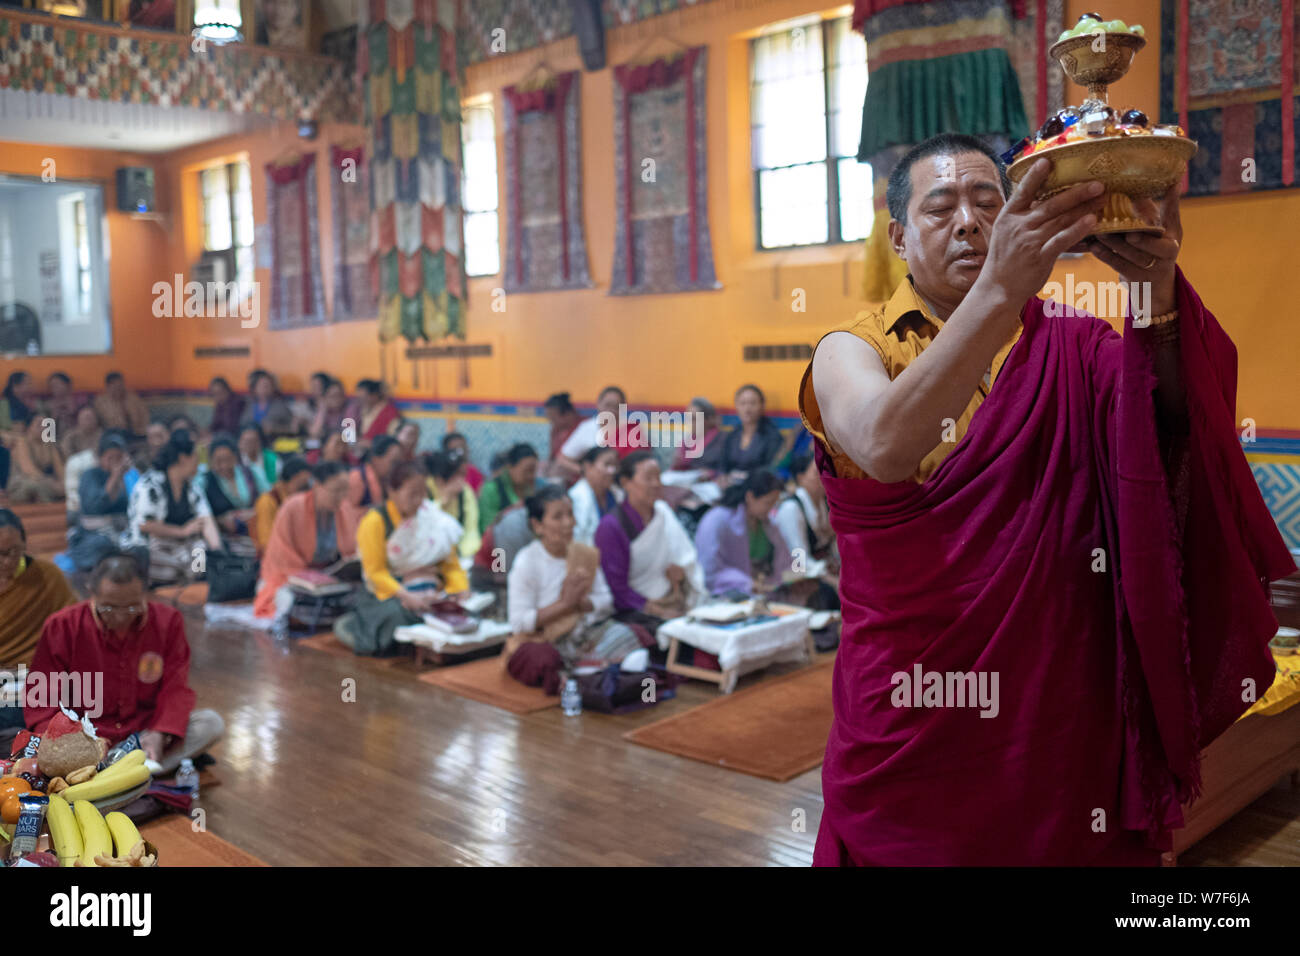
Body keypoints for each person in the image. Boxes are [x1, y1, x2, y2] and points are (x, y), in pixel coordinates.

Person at [800, 133, 1294, 866]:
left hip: (1055, 711)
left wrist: (1154, 292)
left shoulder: (1072, 341)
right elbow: (882, 443)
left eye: (986, 203)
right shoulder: (852, 349)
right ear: (899, 237)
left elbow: (1168, 444)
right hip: (913, 710)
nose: (968, 221)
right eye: (941, 207)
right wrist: (1003, 290)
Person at [24, 553, 225, 775]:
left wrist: (159, 733)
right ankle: (137, 773)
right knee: (44, 749)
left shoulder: (168, 621)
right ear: (92, 592)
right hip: (85, 742)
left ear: (145, 594)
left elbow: (175, 687)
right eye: (109, 608)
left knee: (210, 724)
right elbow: (42, 697)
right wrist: (68, 742)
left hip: (143, 734)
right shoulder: (63, 626)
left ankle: (110, 774)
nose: (121, 618)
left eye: (131, 608)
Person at [504, 487, 644, 693]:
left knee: (635, 631)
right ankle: (599, 672)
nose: (568, 523)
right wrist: (564, 605)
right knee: (541, 659)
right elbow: (519, 623)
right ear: (537, 525)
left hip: (582, 637)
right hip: (543, 640)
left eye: (570, 514)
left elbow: (606, 600)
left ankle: (583, 675)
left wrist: (581, 603)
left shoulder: (583, 554)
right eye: (558, 517)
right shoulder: (527, 562)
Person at [335, 460, 467, 655]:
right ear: (392, 492)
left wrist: (459, 589)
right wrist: (407, 596)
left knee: (460, 611)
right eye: (412, 494)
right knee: (397, 616)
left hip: (431, 590)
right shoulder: (375, 521)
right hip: (391, 593)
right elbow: (375, 573)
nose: (419, 500)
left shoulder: (432, 518)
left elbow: (450, 564)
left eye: (422, 493)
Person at [594, 450, 703, 636]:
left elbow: (682, 558)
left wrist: (679, 574)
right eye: (648, 478)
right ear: (625, 483)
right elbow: (616, 589)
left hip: (670, 598)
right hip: (631, 611)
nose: (656, 484)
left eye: (658, 477)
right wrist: (655, 609)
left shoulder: (662, 513)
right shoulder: (611, 527)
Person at [254, 461, 355, 619]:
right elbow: (281, 558)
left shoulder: (344, 509)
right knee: (289, 601)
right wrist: (309, 576)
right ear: (316, 486)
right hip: (287, 578)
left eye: (345, 491)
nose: (341, 497)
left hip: (329, 579)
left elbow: (351, 551)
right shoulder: (293, 507)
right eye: (336, 491)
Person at [122, 430, 222, 585]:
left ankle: (194, 580)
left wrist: (217, 550)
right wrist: (182, 531)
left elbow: (205, 518)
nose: (198, 462)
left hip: (181, 547)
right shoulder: (149, 484)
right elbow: (145, 525)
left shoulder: (192, 487)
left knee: (200, 549)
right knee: (168, 566)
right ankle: (185, 577)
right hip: (152, 546)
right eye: (195, 457)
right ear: (183, 458)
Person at [694, 469, 789, 597]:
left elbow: (783, 562)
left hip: (764, 592)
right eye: (768, 503)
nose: (771, 509)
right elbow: (709, 570)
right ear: (750, 497)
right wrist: (745, 583)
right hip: (726, 595)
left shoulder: (769, 524)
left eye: (774, 503)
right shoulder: (717, 520)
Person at [0, 509, 76, 668]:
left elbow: (72, 625)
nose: (7, 561)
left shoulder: (46, 575)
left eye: (14, 551)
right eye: (1, 554)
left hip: (35, 670)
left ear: (24, 544)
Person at [68, 432, 140, 573]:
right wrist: (114, 476)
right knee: (103, 545)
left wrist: (123, 476)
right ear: (100, 458)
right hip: (93, 534)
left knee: (139, 547)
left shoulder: (130, 475)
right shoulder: (90, 475)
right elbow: (94, 507)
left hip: (124, 531)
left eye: (118, 458)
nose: (115, 462)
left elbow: (135, 504)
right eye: (110, 458)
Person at [771, 451, 839, 585]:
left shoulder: (824, 503)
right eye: (817, 473)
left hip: (817, 568)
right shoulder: (791, 508)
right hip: (789, 574)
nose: (824, 477)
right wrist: (831, 580)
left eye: (826, 471)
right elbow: (799, 562)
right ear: (801, 478)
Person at [339, 434, 404, 544]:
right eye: (393, 462)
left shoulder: (389, 481)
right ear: (375, 460)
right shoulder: (357, 478)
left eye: (399, 463)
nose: (396, 468)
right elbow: (345, 516)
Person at [557, 386, 637, 475]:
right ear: (598, 404)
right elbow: (562, 460)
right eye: (608, 405)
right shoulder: (587, 428)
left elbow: (638, 465)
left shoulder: (632, 431)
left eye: (617, 407)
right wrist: (587, 472)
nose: (612, 410)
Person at [201, 437, 259, 550]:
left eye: (228, 460)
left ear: (235, 457)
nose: (224, 466)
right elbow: (200, 515)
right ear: (211, 460)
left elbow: (269, 499)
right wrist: (221, 520)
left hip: (253, 535)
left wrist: (253, 512)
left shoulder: (251, 473)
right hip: (222, 541)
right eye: (218, 461)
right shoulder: (204, 481)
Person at [719, 384, 784, 482]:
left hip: (757, 487)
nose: (747, 409)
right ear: (736, 406)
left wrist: (747, 476)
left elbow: (772, 468)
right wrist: (723, 477)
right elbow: (723, 466)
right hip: (730, 486)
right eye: (742, 403)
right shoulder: (733, 434)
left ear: (762, 406)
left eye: (753, 403)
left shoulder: (772, 436)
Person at [425, 450, 480, 561]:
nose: (461, 480)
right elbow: (424, 524)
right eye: (456, 475)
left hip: (459, 554)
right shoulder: (425, 489)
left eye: (463, 475)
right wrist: (444, 500)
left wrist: (463, 553)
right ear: (439, 480)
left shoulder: (465, 491)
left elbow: (471, 529)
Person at [477, 442, 544, 534]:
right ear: (510, 467)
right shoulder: (491, 489)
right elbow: (487, 528)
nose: (531, 476)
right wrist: (511, 512)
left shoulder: (538, 486)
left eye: (533, 471)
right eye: (527, 471)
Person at [253, 454, 312, 553]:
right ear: (291, 480)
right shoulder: (268, 501)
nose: (305, 491)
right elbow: (265, 542)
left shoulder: (300, 500)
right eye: (302, 486)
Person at [6, 414, 65, 503]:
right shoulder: (21, 442)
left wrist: (64, 482)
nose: (42, 428)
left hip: (43, 481)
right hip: (20, 485)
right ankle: (48, 511)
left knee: (67, 486)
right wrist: (51, 483)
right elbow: (28, 470)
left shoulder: (49, 444)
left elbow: (60, 469)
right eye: (39, 425)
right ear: (30, 427)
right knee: (37, 487)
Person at [568, 445, 619, 546]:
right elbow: (577, 538)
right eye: (607, 464)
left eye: (615, 465)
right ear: (587, 467)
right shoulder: (576, 497)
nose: (612, 471)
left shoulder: (617, 494)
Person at [242, 370, 295, 440]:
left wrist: (275, 429)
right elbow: (242, 424)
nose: (265, 389)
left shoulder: (280, 406)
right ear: (254, 388)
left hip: (273, 441)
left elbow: (292, 428)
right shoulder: (248, 404)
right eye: (262, 386)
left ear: (273, 388)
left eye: (268, 386)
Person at [541, 392, 583, 481]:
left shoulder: (584, 428)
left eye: (553, 419)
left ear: (568, 414)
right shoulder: (555, 430)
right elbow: (552, 457)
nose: (551, 422)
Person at [93, 371, 149, 437]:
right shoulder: (100, 402)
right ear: (108, 387)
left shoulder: (133, 398)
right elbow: (96, 424)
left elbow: (145, 416)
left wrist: (144, 431)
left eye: (120, 385)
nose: (119, 388)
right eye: (115, 386)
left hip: (137, 434)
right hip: (113, 436)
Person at [353, 379, 401, 456]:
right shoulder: (361, 410)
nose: (360, 401)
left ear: (374, 396)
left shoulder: (390, 413)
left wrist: (371, 444)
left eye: (364, 398)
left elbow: (392, 441)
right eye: (359, 398)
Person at [238, 423, 278, 492]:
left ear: (259, 442)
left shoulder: (271, 459)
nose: (249, 445)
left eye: (253, 441)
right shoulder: (236, 461)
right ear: (239, 443)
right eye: (246, 442)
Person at [43, 372, 79, 439]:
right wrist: (54, 417)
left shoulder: (78, 402)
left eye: (57, 384)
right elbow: (44, 432)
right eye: (52, 386)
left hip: (76, 437)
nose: (54, 388)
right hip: (53, 438)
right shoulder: (47, 405)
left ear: (67, 385)